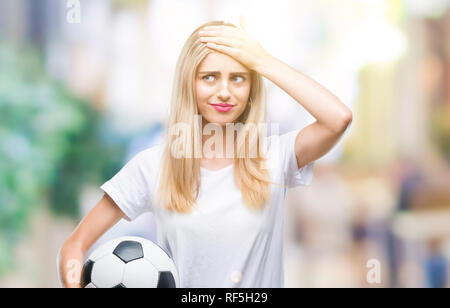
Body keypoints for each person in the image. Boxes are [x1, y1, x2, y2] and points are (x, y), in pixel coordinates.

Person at [58, 19, 352, 288]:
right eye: (209, 77)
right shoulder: (153, 166)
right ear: (190, 83)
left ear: (251, 88)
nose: (224, 91)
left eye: (238, 78)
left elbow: (337, 118)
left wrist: (263, 61)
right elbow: (75, 245)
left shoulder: (275, 156)